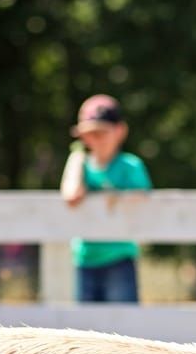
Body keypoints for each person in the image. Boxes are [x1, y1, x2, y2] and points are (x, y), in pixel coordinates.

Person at [61, 94, 152, 303]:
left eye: (101, 133)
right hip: (86, 257)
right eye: (88, 135)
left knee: (123, 326)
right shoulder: (81, 165)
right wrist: (76, 158)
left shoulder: (131, 166)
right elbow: (71, 195)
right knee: (86, 330)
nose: (95, 140)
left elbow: (141, 204)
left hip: (119, 256)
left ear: (120, 131)